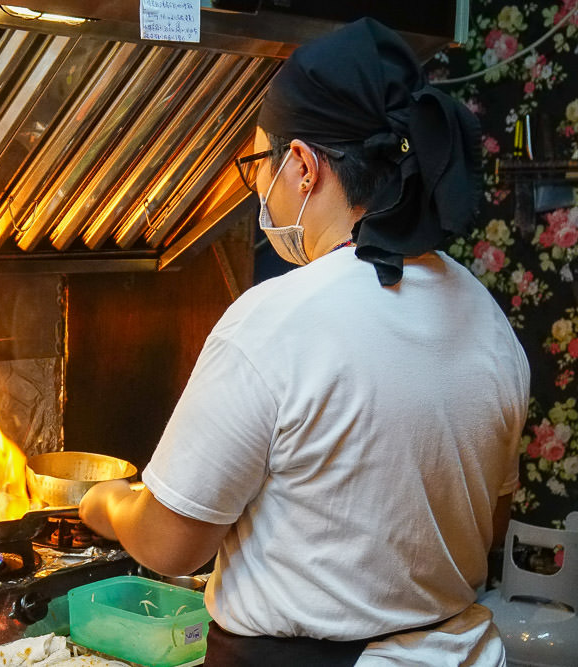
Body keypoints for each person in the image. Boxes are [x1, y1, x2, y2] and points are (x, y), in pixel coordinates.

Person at [78, 18, 530, 667]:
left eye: (261, 164)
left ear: (303, 165)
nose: (262, 188)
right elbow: (488, 523)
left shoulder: (275, 321)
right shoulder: (485, 318)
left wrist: (105, 501)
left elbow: (172, 544)